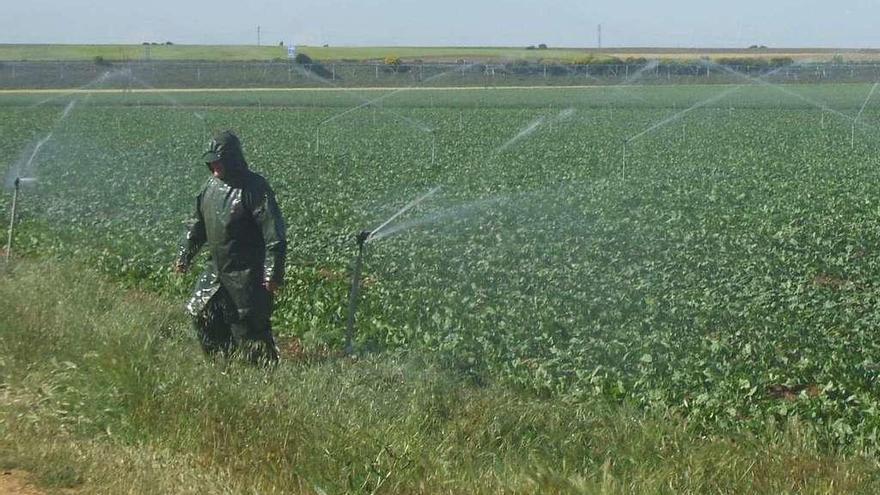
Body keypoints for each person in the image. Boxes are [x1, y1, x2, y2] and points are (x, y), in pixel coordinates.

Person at [175, 130, 287, 364]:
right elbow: (197, 226)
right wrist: (185, 254)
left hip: (246, 274)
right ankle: (222, 364)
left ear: (233, 160)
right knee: (201, 313)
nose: (215, 167)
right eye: (212, 163)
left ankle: (264, 379)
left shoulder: (254, 188)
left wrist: (272, 273)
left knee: (249, 330)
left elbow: (274, 232)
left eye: (219, 161)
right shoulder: (210, 188)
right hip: (216, 270)